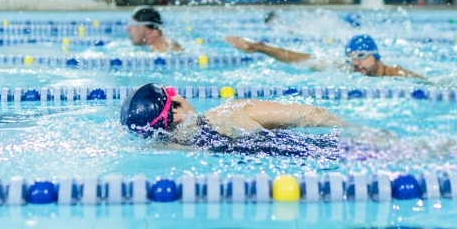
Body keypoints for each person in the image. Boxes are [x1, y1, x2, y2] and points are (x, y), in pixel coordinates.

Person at [119, 83, 388, 157]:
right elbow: (310, 115)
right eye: (174, 94)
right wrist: (356, 127)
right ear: (175, 109)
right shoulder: (231, 112)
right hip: (323, 151)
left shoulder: (163, 148)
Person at [224, 33, 423, 78]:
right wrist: (260, 48)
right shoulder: (347, 69)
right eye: (351, 58)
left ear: (375, 55)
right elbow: (301, 58)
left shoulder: (397, 74)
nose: (356, 63)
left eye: (361, 56)